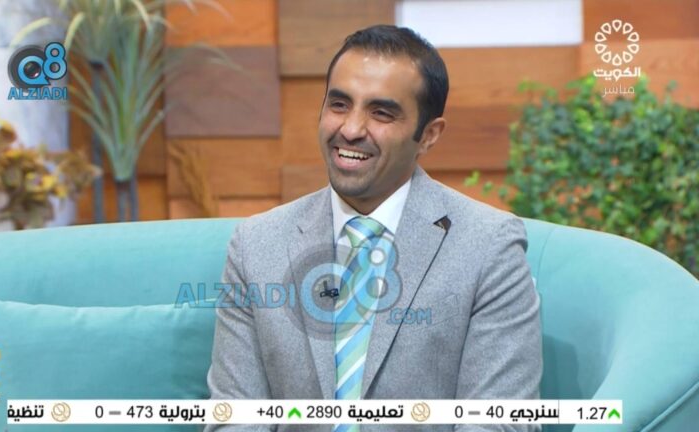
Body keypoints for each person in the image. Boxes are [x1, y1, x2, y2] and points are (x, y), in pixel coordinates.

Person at [206, 25, 542, 432]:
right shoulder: (256, 244)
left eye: (381, 113)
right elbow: (234, 419)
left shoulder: (489, 246)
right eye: (339, 104)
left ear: (428, 135)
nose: (350, 129)